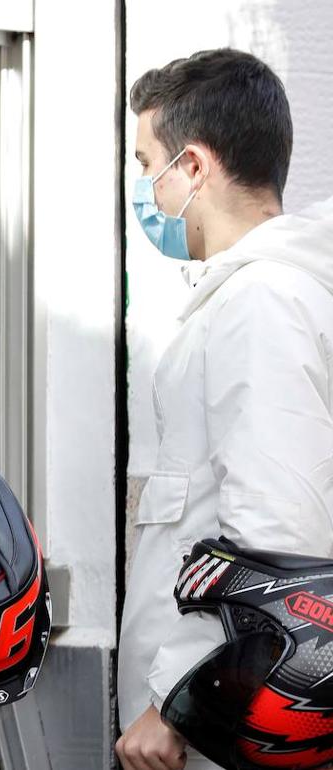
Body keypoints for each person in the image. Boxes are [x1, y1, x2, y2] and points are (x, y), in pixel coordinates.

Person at [116, 49, 333, 770]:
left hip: (212, 722)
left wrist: (174, 703)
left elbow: (274, 531)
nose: (145, 186)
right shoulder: (252, 296)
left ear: (195, 166)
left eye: (150, 163)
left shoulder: (261, 303)